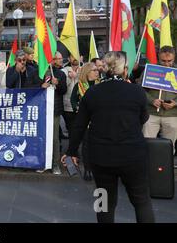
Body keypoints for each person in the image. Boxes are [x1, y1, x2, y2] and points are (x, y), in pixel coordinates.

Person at [62, 51, 155, 223]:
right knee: (142, 201)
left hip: (101, 158)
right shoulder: (137, 92)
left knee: (104, 202)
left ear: (104, 69)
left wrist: (71, 152)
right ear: (124, 70)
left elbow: (79, 126)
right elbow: (144, 118)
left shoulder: (92, 93)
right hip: (133, 156)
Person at [141, 46, 176, 153]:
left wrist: (175, 103)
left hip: (172, 114)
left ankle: (167, 167)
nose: (166, 64)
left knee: (169, 147)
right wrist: (152, 100)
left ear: (174, 58)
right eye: (163, 61)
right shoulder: (150, 70)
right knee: (146, 145)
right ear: (158, 58)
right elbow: (139, 90)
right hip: (151, 114)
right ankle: (147, 167)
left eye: (169, 61)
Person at [69, 62, 100, 181]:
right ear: (87, 72)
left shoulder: (100, 84)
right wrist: (76, 108)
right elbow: (73, 99)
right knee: (86, 145)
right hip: (85, 120)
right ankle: (88, 169)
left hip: (98, 120)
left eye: (97, 70)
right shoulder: (79, 85)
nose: (97, 72)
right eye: (94, 70)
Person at [39, 51, 67, 175]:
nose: (61, 60)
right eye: (58, 58)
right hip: (41, 109)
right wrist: (41, 86)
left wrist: (58, 84)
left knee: (54, 138)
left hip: (54, 110)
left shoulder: (61, 74)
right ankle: (43, 163)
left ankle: (55, 164)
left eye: (61, 58)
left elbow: (63, 90)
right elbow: (30, 86)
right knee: (42, 136)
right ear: (52, 59)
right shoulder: (40, 72)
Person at [61, 55, 80, 140]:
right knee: (71, 129)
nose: (75, 58)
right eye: (73, 56)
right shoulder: (64, 71)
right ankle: (72, 151)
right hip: (68, 106)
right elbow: (62, 88)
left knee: (80, 129)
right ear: (69, 59)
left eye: (77, 56)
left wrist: (78, 75)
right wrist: (70, 78)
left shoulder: (84, 69)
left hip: (81, 105)